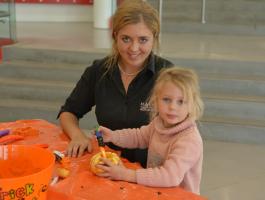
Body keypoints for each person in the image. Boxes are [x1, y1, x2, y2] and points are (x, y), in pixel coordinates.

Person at [57, 0, 173, 167]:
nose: (134, 48)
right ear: (115, 36)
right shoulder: (98, 71)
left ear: (154, 39)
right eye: (126, 39)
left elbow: (183, 130)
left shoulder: (168, 74)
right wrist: (77, 135)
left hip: (151, 173)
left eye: (143, 40)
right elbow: (68, 112)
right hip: (107, 165)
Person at [96, 67, 204, 194]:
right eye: (166, 99)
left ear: (192, 105)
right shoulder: (159, 123)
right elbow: (138, 136)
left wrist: (126, 175)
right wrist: (113, 136)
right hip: (156, 192)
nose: (172, 107)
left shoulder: (189, 140)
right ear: (156, 101)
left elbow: (170, 176)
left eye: (181, 102)